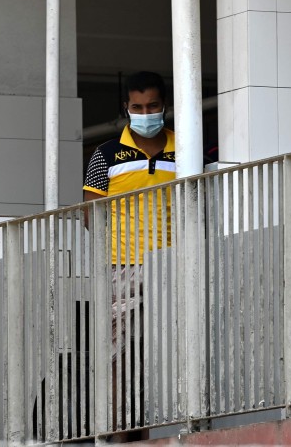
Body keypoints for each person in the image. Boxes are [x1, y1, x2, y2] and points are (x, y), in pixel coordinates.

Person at [82, 71, 175, 435]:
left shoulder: (186, 147)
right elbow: (91, 213)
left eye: (152, 105)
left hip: (171, 264)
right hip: (121, 265)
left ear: (163, 105)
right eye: (138, 106)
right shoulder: (105, 154)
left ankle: (157, 429)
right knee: (119, 353)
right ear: (127, 108)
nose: (146, 112)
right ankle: (120, 432)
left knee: (163, 348)